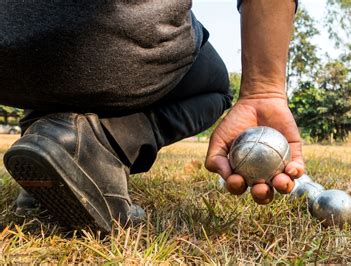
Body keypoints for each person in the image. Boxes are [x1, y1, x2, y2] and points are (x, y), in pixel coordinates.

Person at [0, 0, 304, 232]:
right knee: (215, 87)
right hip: (111, 40)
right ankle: (106, 143)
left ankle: (47, 139)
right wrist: (263, 91)